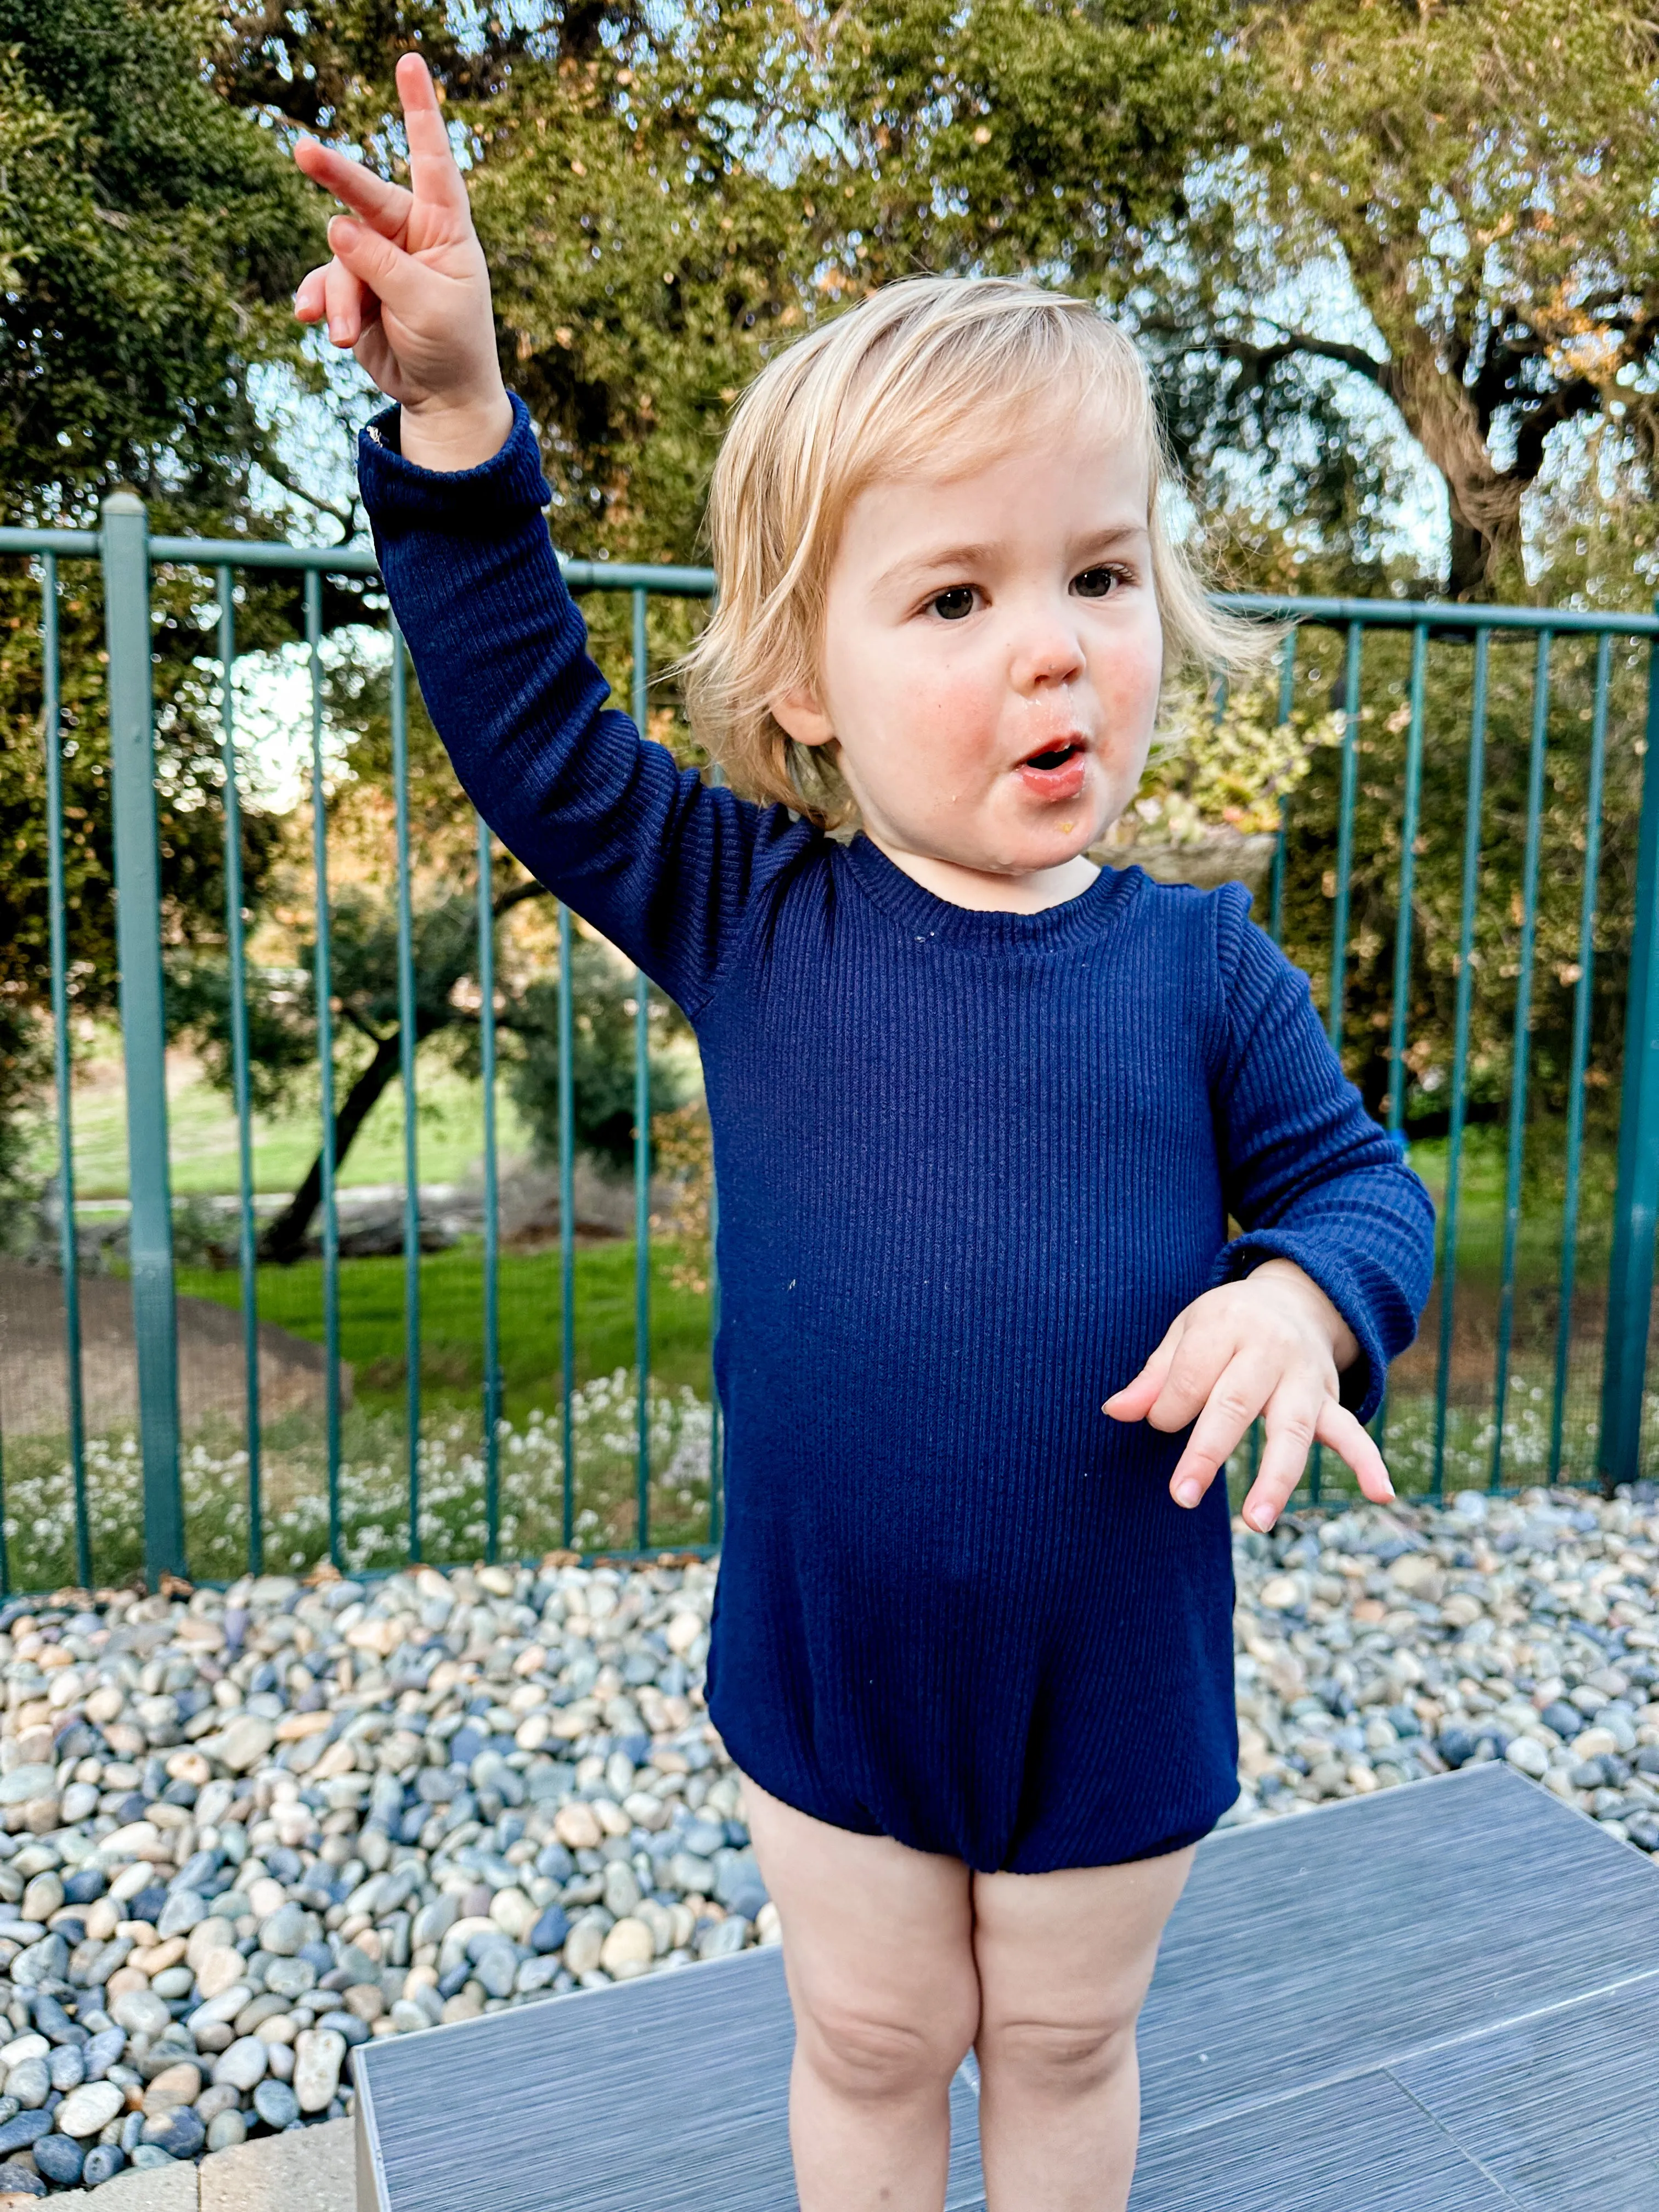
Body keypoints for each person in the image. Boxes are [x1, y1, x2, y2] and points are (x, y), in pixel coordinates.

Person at [292, 55, 1435, 2212]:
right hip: (832, 1660)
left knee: (1074, 2038)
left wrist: (1304, 1295)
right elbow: (530, 719)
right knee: (877, 2036)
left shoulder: (1202, 971)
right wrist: (456, 422)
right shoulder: (753, 913)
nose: (1054, 654)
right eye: (954, 600)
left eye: (1101, 577)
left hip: (1113, 1659)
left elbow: (1365, 1187)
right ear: (801, 679)